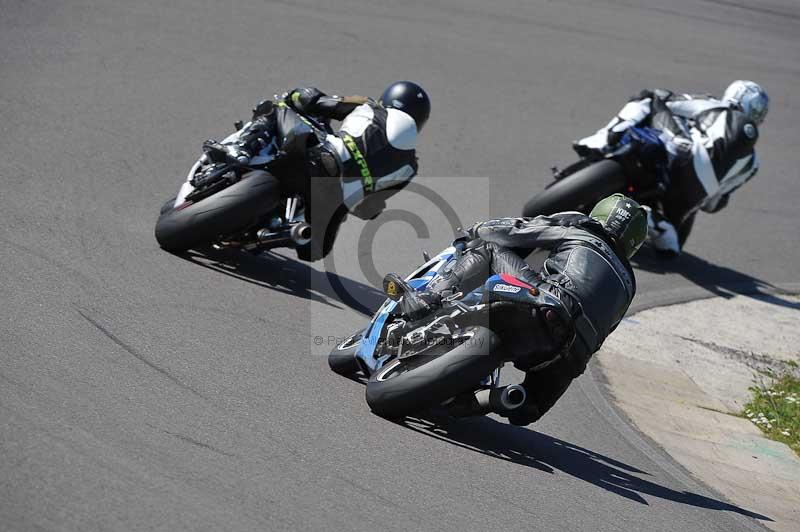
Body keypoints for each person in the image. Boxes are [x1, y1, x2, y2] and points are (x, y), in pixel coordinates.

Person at [384, 194, 647, 426]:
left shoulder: (582, 230)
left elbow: (518, 230)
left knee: (486, 248)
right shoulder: (628, 286)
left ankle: (427, 300)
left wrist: (476, 230)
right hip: (571, 356)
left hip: (547, 305)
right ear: (634, 244)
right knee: (525, 411)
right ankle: (493, 398)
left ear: (598, 214)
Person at [230, 81, 430, 261]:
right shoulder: (410, 168)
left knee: (277, 108)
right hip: (334, 203)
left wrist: (296, 95)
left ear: (387, 98)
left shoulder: (369, 105)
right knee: (314, 250)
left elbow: (317, 102)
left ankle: (241, 148)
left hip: (323, 158)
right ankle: (274, 234)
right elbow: (367, 209)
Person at [573, 80, 768, 257]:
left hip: (682, 156)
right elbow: (713, 205)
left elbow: (670, 102)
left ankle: (602, 140)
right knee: (675, 245)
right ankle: (657, 223)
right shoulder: (752, 164)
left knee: (649, 96)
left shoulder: (715, 105)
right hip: (690, 199)